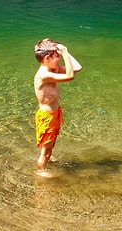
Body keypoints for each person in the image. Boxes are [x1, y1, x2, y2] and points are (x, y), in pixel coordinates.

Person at [33, 38, 82, 174]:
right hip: (47, 118)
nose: (59, 59)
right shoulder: (44, 75)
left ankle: (47, 160)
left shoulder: (53, 69)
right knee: (45, 152)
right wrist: (65, 53)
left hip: (54, 114)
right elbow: (70, 76)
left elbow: (77, 68)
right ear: (47, 58)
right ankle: (40, 174)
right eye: (57, 56)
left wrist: (65, 51)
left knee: (51, 146)